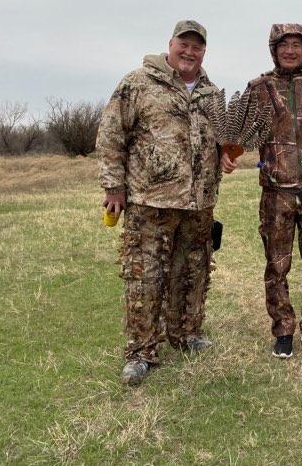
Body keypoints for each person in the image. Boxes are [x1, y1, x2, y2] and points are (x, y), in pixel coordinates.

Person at [96, 20, 237, 384]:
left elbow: (219, 140)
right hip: (149, 202)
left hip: (199, 203)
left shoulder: (212, 94)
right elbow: (111, 135)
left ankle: (186, 336)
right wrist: (113, 187)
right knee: (145, 277)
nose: (190, 52)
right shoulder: (138, 83)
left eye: (197, 47)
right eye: (184, 45)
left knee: (192, 273)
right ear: (170, 45)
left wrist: (224, 155)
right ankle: (140, 351)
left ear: (204, 51)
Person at [241, 23, 302, 358]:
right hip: (276, 192)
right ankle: (283, 329)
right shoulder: (258, 88)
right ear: (274, 49)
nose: (291, 50)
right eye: (284, 45)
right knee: (277, 264)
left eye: (298, 45)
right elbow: (240, 135)